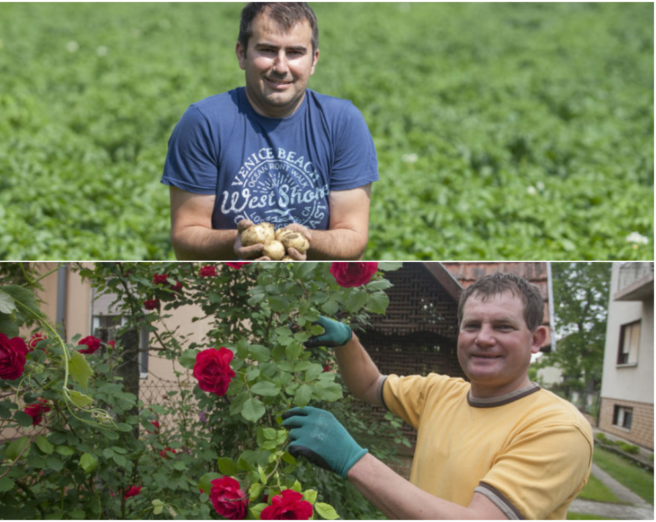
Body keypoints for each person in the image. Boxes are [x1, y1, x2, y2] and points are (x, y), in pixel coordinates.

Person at [283, 272, 593, 519]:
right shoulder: (440, 393)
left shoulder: (558, 428)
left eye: (503, 327)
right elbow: (369, 385)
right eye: (472, 325)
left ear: (536, 339)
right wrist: (346, 341)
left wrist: (353, 460)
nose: (484, 338)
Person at [162, 2, 379, 261]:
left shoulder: (343, 122)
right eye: (267, 50)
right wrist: (235, 241)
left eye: (295, 52)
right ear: (241, 54)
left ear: (314, 60)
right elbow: (186, 236)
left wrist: (306, 239)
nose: (281, 66)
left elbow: (353, 236)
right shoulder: (204, 123)